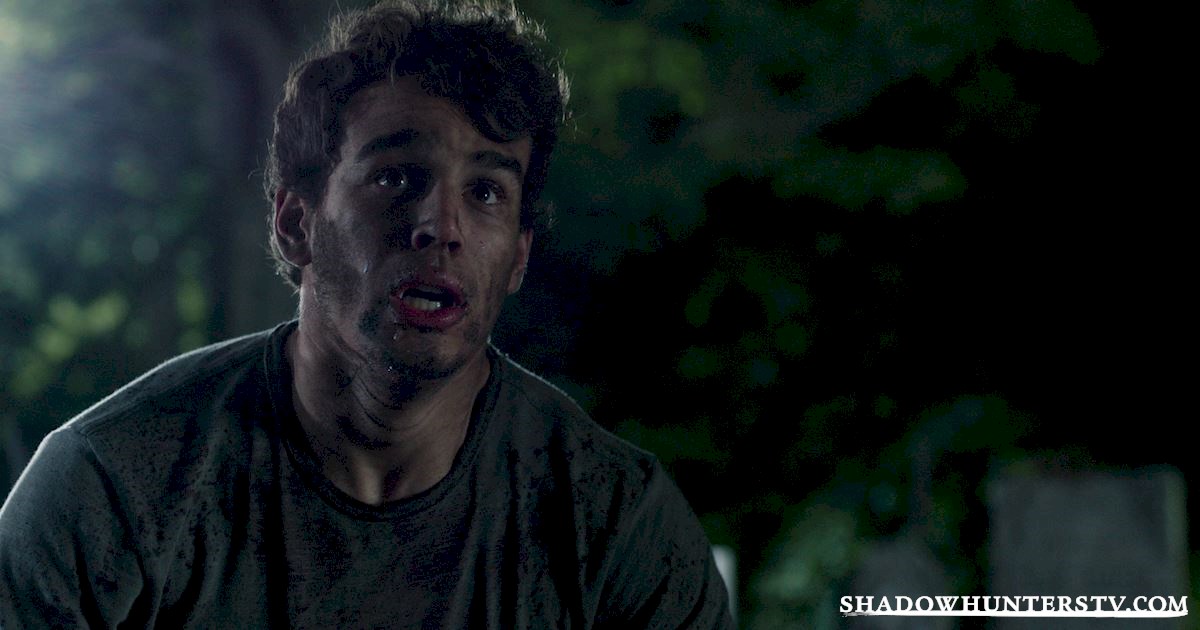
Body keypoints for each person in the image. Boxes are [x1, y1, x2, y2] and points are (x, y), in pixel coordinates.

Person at [0, 1, 734, 627]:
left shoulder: (617, 528)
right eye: (396, 177)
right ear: (296, 223)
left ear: (517, 258)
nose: (440, 226)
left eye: (485, 192)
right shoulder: (113, 488)